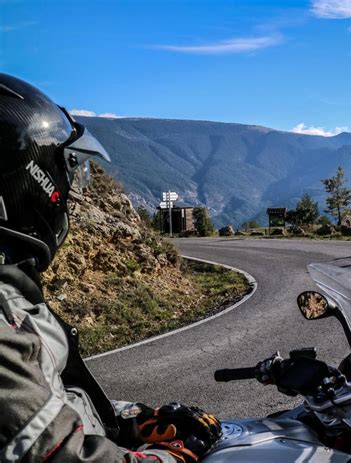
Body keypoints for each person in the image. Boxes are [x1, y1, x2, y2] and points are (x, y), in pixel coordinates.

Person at [0, 73, 221, 462]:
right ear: (32, 179)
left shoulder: (13, 293)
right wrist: (172, 456)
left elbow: (52, 401)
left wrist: (132, 422)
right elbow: (56, 454)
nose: (67, 197)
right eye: (66, 175)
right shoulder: (3, 321)